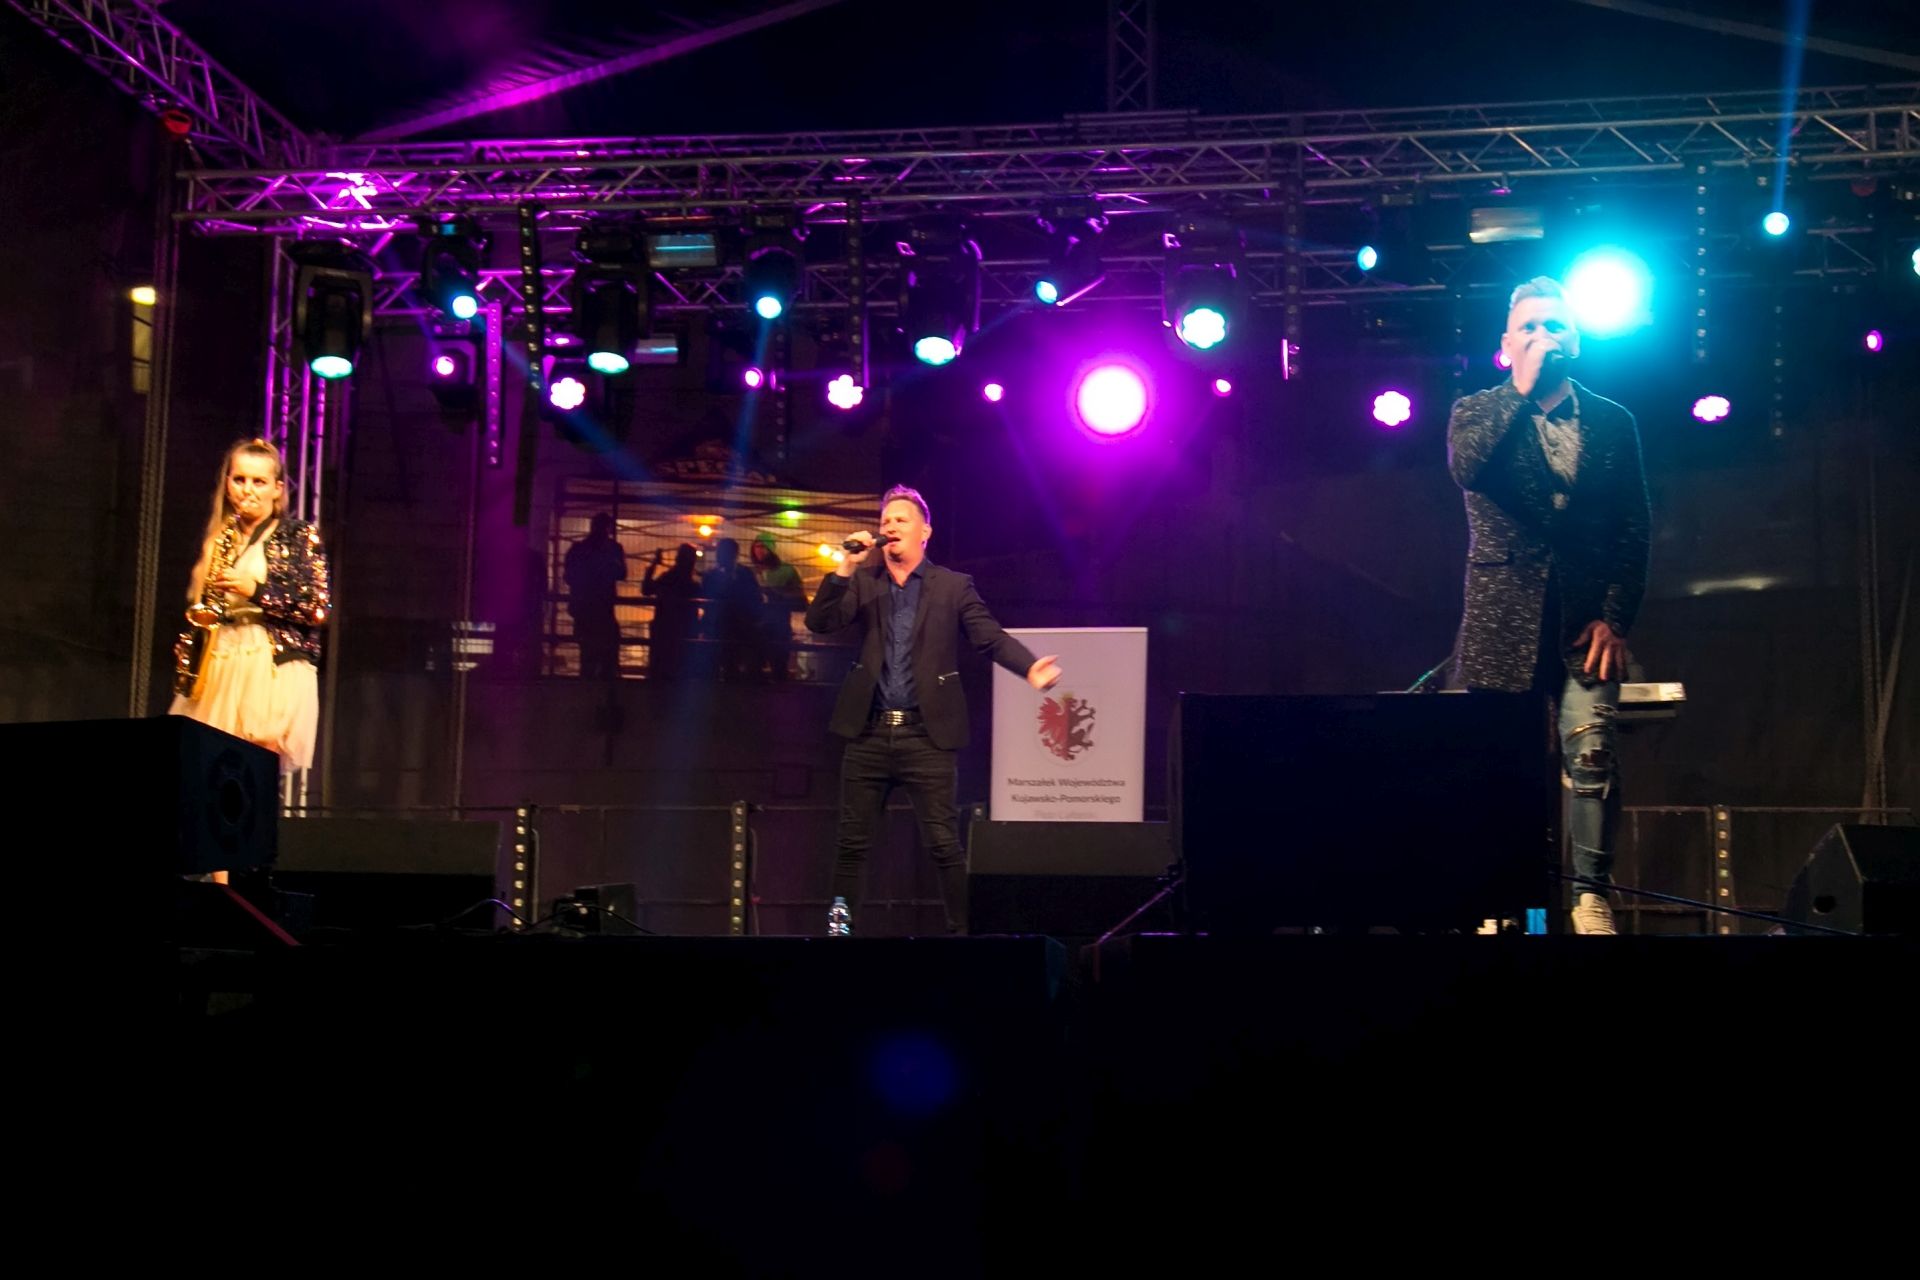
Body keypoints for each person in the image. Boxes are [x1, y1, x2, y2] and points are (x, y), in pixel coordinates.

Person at [1447, 276, 1651, 936]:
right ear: (1506, 345)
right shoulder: (1476, 411)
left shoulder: (1614, 421)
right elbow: (1469, 469)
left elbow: (1632, 527)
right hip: (1501, 618)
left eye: (1556, 325)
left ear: (1577, 340)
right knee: (1499, 768)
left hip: (1583, 622)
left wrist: (1615, 618)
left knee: (1592, 754)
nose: (1544, 336)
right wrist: (1520, 393)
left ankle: (1591, 896)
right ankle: (1503, 903)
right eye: (1529, 327)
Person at [806, 485, 1062, 935]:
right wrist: (845, 565)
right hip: (868, 734)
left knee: (944, 844)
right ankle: (838, 933)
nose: (890, 527)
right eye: (885, 521)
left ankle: (963, 936)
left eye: (900, 520)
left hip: (926, 736)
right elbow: (820, 622)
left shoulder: (953, 586)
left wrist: (1028, 667)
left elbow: (989, 637)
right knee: (851, 846)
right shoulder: (864, 582)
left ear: (925, 531)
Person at [170, 438, 330, 877]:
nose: (248, 490)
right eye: (239, 479)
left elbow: (316, 607)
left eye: (259, 481)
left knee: (250, 773)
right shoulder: (220, 538)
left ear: (278, 489)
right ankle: (216, 881)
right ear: (227, 484)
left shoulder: (297, 535)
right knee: (208, 775)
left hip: (270, 662)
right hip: (222, 657)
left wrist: (254, 589)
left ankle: (250, 878)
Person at [565, 513, 627, 679]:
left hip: (584, 609)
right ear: (608, 528)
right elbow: (622, 573)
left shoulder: (578, 549)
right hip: (604, 609)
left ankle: (587, 687)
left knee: (587, 656)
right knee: (607, 656)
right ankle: (604, 687)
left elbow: (569, 577)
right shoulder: (613, 549)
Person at [701, 536, 762, 681]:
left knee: (724, 664)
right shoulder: (744, 574)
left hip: (726, 626)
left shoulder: (712, 575)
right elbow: (755, 597)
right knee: (723, 664)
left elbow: (705, 598)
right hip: (729, 626)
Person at [750, 533, 807, 681]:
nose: (759, 550)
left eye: (763, 546)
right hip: (756, 625)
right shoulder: (750, 572)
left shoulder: (787, 571)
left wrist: (777, 595)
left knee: (779, 664)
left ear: (771, 549)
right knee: (755, 666)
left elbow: (801, 599)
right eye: (756, 546)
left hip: (778, 624)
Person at [641, 542, 700, 681]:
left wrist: (653, 565)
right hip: (685, 635)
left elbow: (646, 589)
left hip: (663, 632)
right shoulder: (692, 586)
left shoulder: (667, 579)